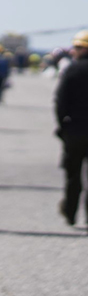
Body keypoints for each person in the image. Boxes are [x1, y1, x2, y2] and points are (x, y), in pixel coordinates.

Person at [54, 30, 88, 228]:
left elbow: (60, 101)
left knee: (72, 175)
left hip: (74, 129)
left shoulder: (72, 70)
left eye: (76, 47)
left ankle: (70, 212)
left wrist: (62, 126)